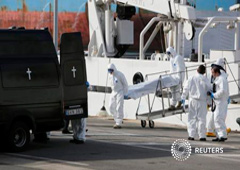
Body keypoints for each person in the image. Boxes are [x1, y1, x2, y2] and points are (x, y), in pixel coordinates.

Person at [181, 65, 211, 141]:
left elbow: (185, 89)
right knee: (202, 119)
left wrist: (183, 98)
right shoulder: (205, 80)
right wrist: (209, 102)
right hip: (202, 101)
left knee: (191, 118)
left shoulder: (191, 78)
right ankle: (202, 136)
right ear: (204, 72)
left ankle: (191, 135)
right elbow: (209, 91)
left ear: (197, 70)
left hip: (192, 100)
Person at [206, 58, 228, 137]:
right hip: (217, 101)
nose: (212, 74)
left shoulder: (221, 79)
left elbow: (222, 91)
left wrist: (213, 95)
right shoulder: (219, 78)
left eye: (213, 72)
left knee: (218, 119)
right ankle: (219, 135)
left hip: (220, 101)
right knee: (216, 119)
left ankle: (222, 135)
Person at [108, 63, 128, 129]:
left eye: (111, 70)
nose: (110, 72)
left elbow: (125, 84)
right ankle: (117, 119)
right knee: (111, 107)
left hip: (120, 91)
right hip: (113, 92)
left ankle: (118, 123)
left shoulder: (120, 75)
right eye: (109, 71)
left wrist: (125, 93)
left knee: (119, 107)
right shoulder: (110, 76)